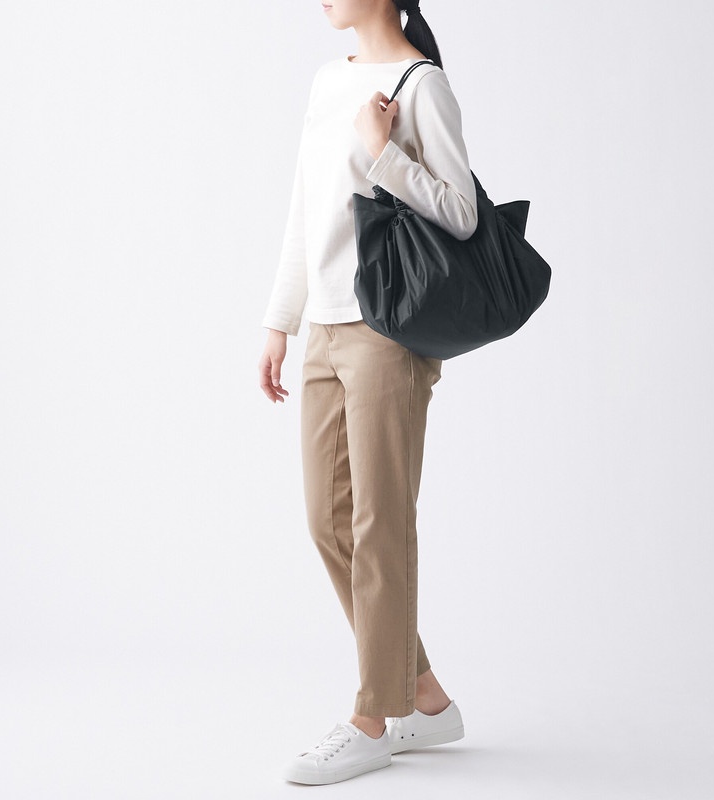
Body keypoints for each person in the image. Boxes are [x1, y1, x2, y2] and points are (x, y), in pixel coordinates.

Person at [257, 0, 478, 785]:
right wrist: (280, 320)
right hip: (323, 327)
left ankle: (375, 718)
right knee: (329, 521)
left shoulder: (423, 86)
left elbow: (461, 214)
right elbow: (304, 209)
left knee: (382, 525)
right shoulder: (329, 80)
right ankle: (426, 698)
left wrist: (384, 152)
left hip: (388, 329)